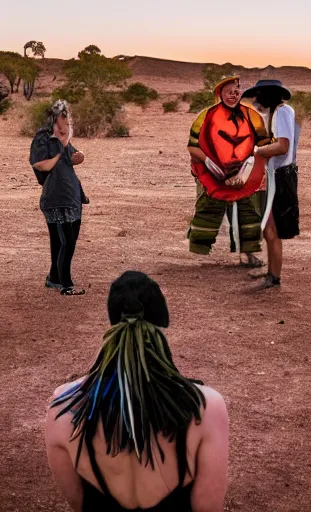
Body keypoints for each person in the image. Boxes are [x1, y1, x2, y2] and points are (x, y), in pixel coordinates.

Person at [45, 271, 229, 511]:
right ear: (159, 322)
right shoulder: (205, 408)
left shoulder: (63, 407)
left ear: (113, 320)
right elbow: (207, 507)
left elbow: (78, 502)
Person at [187, 76, 269, 266]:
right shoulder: (206, 116)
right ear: (220, 94)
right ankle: (199, 250)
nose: (233, 95)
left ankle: (247, 255)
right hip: (213, 173)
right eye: (229, 92)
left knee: (250, 212)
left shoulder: (252, 115)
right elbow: (192, 146)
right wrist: (208, 163)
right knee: (208, 208)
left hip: (246, 174)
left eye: (236, 91)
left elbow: (264, 143)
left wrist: (248, 167)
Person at [241, 79, 300, 290]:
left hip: (280, 175)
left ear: (267, 95)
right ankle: (272, 274)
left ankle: (274, 276)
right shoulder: (279, 113)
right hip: (279, 173)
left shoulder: (282, 112)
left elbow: (282, 146)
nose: (255, 100)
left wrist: (256, 151)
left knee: (270, 227)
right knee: (268, 227)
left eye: (258, 95)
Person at [29, 99, 88, 296]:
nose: (68, 121)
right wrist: (61, 149)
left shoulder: (64, 139)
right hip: (55, 197)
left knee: (60, 240)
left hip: (72, 195)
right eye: (65, 117)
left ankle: (54, 278)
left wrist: (77, 156)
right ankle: (66, 285)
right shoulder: (43, 138)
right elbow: (40, 165)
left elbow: (70, 158)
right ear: (56, 118)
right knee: (66, 242)